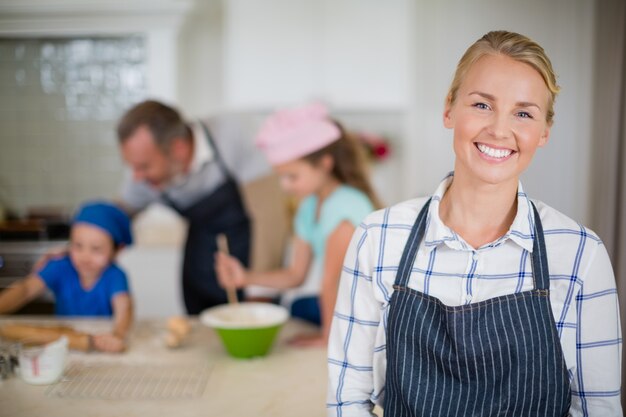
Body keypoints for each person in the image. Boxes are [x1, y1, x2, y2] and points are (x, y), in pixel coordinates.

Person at [327, 30, 622, 416]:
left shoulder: (581, 254)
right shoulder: (378, 239)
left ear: (544, 131)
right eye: (482, 105)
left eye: (523, 113)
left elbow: (597, 408)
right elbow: (347, 400)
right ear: (449, 109)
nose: (500, 130)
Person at [215, 103, 380, 347]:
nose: (285, 186)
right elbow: (295, 275)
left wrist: (326, 339)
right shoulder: (308, 207)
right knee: (296, 307)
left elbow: (333, 283)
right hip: (341, 299)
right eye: (280, 176)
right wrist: (245, 278)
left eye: (292, 176)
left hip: (367, 309)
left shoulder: (347, 207)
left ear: (324, 164)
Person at [116, 100, 269, 314]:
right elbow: (118, 216)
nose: (136, 177)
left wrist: (260, 290)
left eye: (144, 167)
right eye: (133, 167)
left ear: (178, 148)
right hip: (198, 271)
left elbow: (269, 219)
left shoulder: (232, 134)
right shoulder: (142, 174)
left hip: (250, 266)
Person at [0, 202, 134, 353]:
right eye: (78, 245)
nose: (85, 257)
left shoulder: (115, 276)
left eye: (96, 249)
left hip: (99, 341)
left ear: (116, 251)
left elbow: (125, 308)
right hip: (60, 344)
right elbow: (26, 289)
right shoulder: (61, 266)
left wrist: (118, 335)